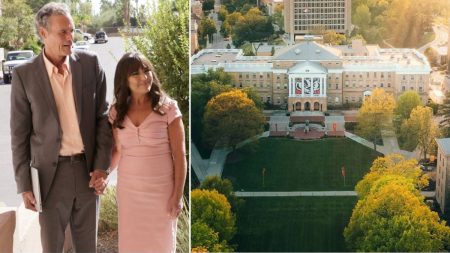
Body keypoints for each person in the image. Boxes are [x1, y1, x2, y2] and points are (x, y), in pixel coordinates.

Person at [10, 2, 112, 252]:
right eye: (62, 32)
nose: (70, 38)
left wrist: (101, 167)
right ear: (43, 34)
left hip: (87, 173)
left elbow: (103, 118)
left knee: (87, 247)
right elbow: (19, 134)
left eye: (72, 31)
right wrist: (25, 185)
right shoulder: (24, 75)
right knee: (52, 247)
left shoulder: (90, 64)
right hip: (48, 179)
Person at [107, 53, 187, 253]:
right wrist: (103, 174)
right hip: (129, 193)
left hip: (161, 193)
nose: (144, 77)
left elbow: (180, 156)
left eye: (147, 70)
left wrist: (177, 197)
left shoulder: (168, 108)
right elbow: (118, 150)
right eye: (135, 73)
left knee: (161, 246)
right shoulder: (117, 112)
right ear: (124, 80)